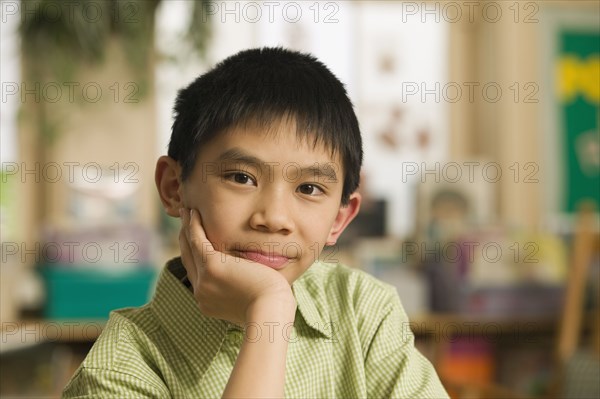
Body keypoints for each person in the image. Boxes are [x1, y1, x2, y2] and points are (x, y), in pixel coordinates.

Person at [62, 47, 449, 398]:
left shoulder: (364, 311)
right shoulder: (119, 368)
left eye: (310, 188)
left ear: (339, 218)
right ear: (174, 187)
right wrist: (270, 309)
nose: (274, 218)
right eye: (241, 178)